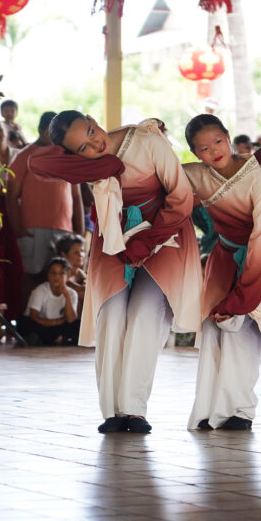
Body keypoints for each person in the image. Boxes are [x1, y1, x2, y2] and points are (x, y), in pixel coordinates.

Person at [32, 111, 201, 434]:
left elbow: (182, 197)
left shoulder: (147, 140)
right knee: (110, 316)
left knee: (144, 313)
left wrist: (146, 243)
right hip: (112, 238)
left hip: (165, 233)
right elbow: (36, 165)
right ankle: (112, 411)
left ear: (94, 119)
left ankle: (134, 409)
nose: (95, 143)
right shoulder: (87, 163)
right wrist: (100, 165)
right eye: (82, 147)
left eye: (92, 131)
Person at [182, 114, 261, 431]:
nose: (214, 151)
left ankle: (240, 410)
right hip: (223, 256)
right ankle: (208, 409)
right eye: (203, 148)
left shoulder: (256, 172)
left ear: (228, 136)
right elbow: (156, 174)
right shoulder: (194, 175)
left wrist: (243, 294)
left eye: (218, 141)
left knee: (242, 330)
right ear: (194, 154)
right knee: (214, 331)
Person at [6, 112, 85, 297]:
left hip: (64, 231)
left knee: (63, 277)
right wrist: (18, 230)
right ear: (41, 130)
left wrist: (79, 231)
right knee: (33, 276)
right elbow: (11, 197)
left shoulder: (67, 156)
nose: (57, 136)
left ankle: (56, 324)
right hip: (33, 230)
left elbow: (76, 196)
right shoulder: (24, 156)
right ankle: (28, 322)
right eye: (53, 131)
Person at [15, 257, 79, 346]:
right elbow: (34, 316)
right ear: (48, 275)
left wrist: (67, 296)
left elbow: (71, 320)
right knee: (24, 323)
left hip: (57, 328)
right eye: (53, 273)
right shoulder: (41, 290)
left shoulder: (72, 293)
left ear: (67, 276)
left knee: (78, 324)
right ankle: (58, 340)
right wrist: (56, 322)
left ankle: (51, 339)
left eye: (61, 273)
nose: (57, 277)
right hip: (40, 324)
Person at [55, 233, 87, 303]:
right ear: (64, 255)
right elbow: (84, 294)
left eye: (82, 251)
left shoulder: (80, 274)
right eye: (76, 252)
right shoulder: (60, 275)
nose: (80, 255)